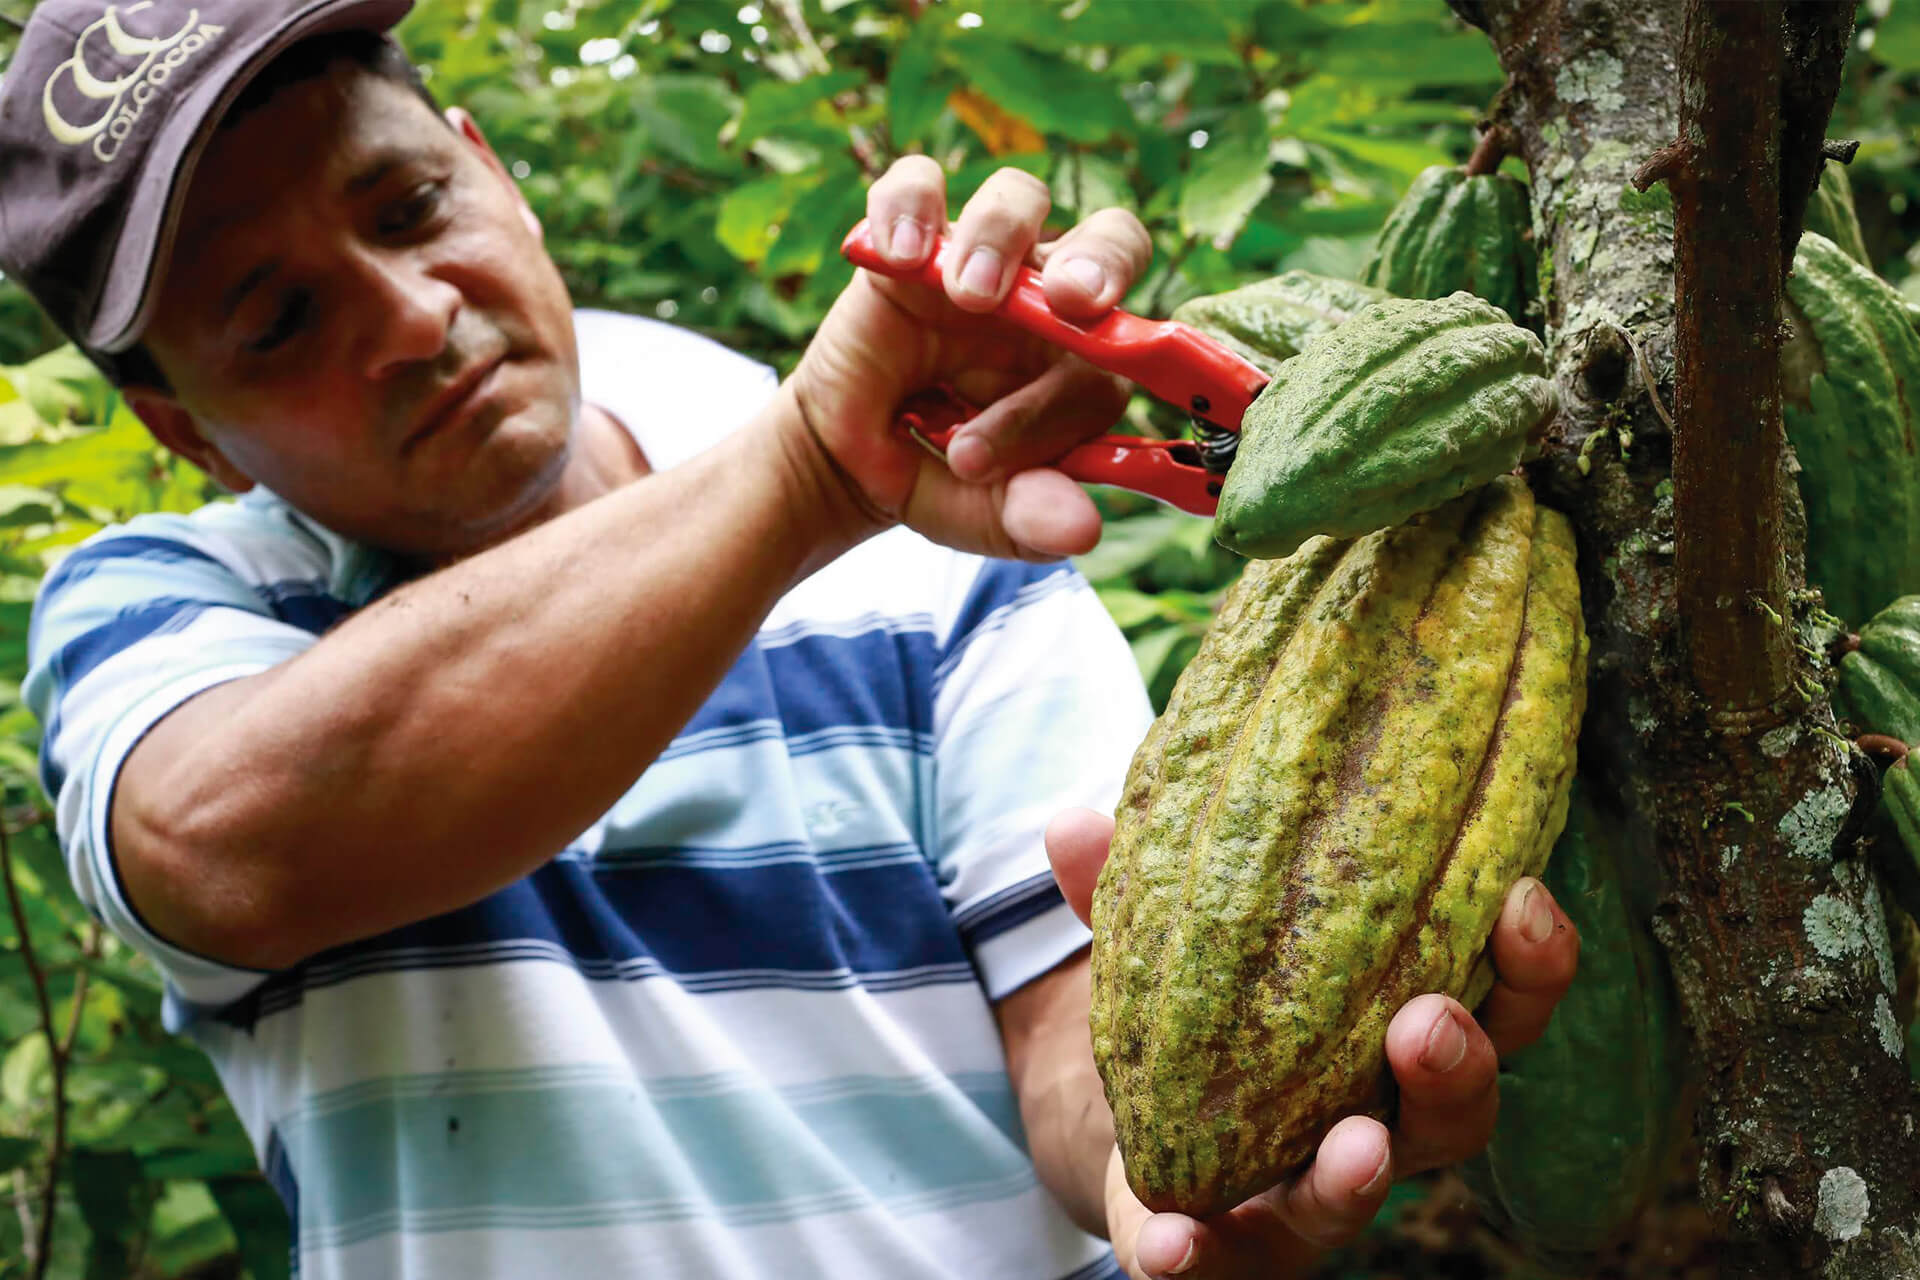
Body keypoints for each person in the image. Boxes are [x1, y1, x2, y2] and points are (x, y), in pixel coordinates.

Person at [0, 3, 1581, 1278]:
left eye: (411, 206)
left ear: (493, 168)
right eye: (278, 319)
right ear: (179, 427)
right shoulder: (161, 614)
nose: (412, 317)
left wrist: (1197, 1175)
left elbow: (1077, 1057)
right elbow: (229, 849)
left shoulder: (947, 541)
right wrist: (813, 476)